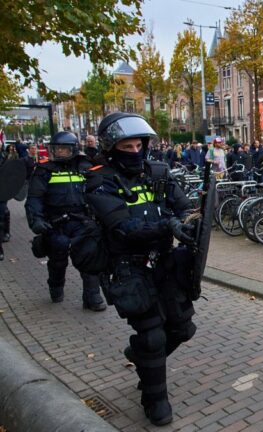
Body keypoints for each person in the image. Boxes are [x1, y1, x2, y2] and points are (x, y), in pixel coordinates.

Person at [85, 112, 198, 425]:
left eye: (139, 145)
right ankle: (154, 400)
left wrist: (189, 222)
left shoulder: (158, 171)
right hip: (128, 267)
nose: (135, 152)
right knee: (152, 337)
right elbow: (122, 227)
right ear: (111, 148)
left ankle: (141, 358)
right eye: (127, 147)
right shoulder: (100, 180)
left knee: (183, 328)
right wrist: (168, 226)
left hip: (165, 262)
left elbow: (184, 207)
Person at [24, 131, 106, 311]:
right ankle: (56, 286)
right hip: (55, 223)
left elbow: (99, 191)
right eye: (56, 148)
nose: (59, 152)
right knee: (58, 258)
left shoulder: (85, 166)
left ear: (73, 149)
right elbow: (35, 198)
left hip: (82, 221)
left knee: (89, 257)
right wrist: (36, 220)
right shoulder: (44, 169)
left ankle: (92, 297)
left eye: (63, 148)